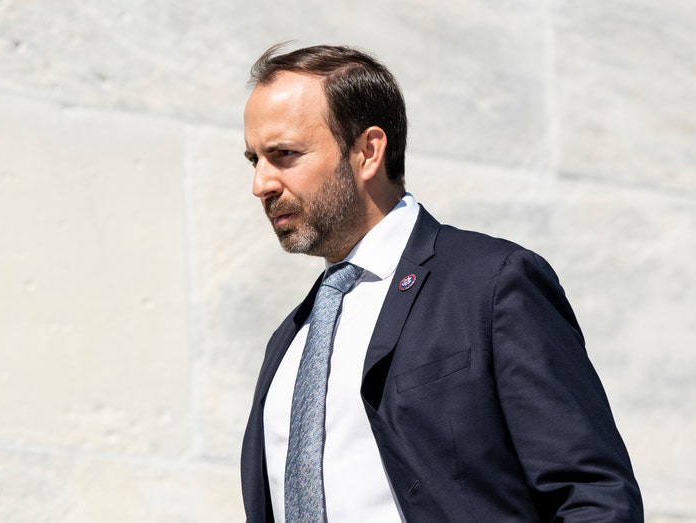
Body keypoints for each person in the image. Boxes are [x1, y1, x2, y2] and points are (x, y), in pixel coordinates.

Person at [239, 44, 643, 522]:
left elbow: (592, 496)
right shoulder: (289, 342)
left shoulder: (490, 285)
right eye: (254, 160)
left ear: (368, 151)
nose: (261, 184)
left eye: (283, 155)